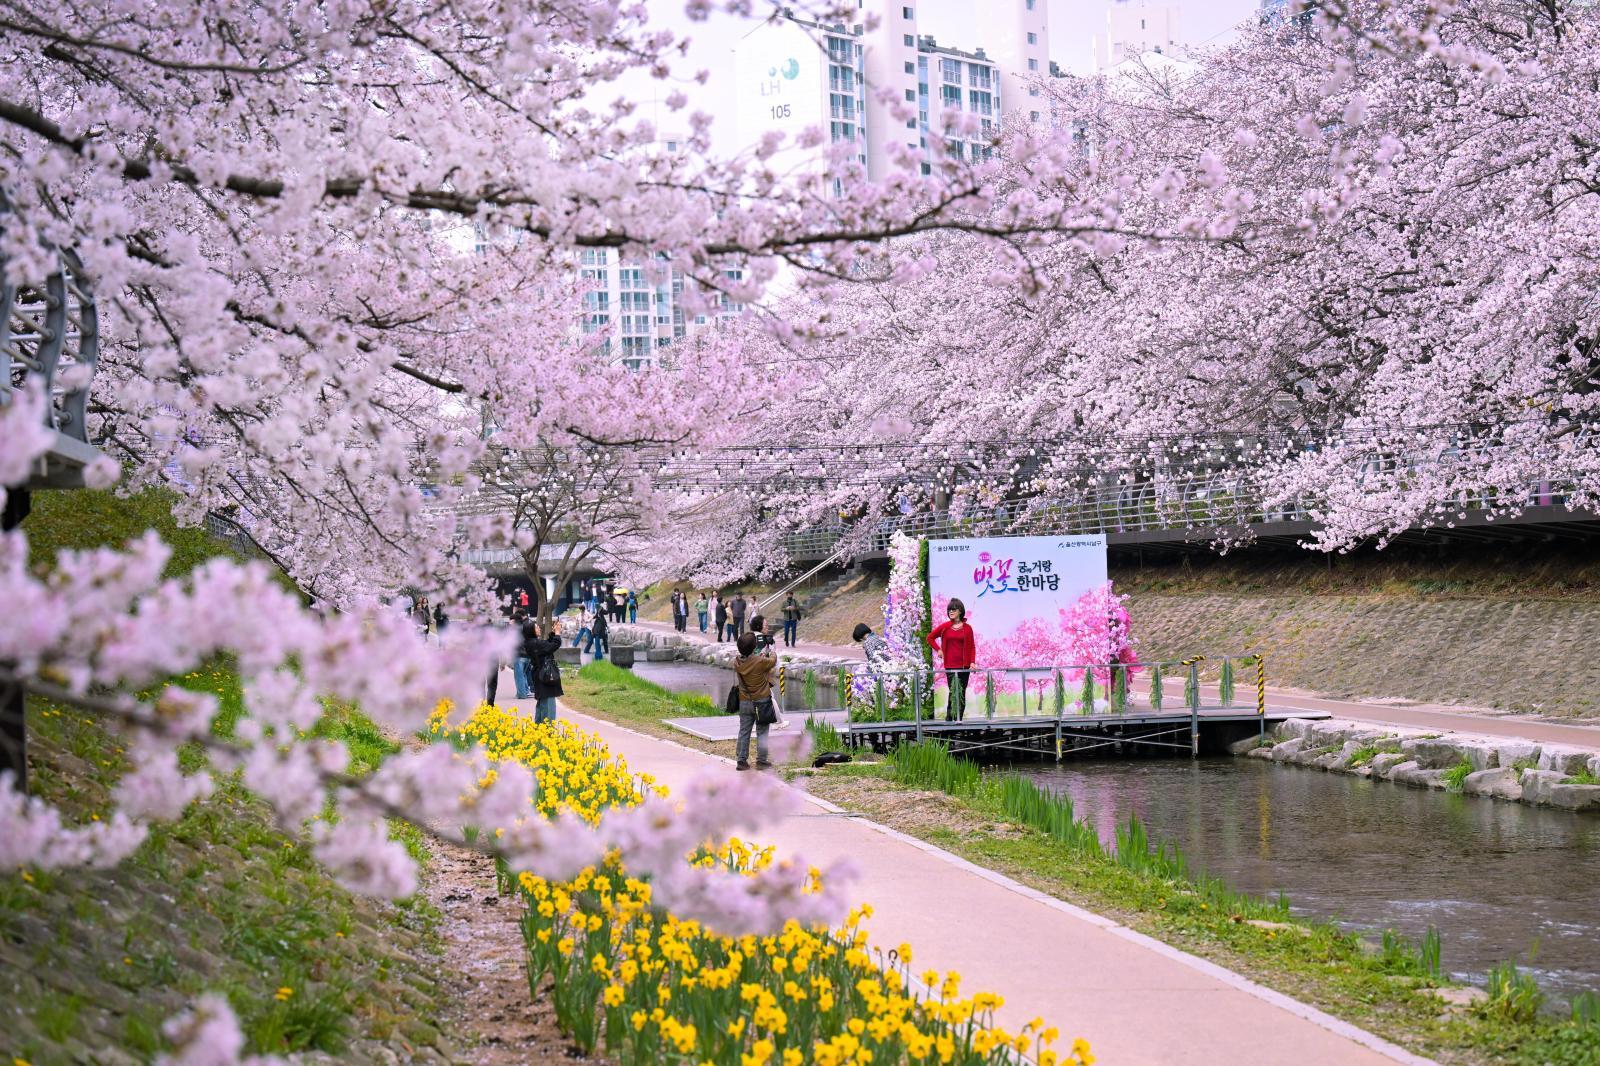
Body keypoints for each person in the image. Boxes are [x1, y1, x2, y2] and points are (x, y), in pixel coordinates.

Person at [926, 598, 977, 722]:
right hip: (950, 665)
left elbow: (972, 646)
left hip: (964, 666)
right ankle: (950, 718)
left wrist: (972, 662)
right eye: (949, 610)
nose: (951, 612)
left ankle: (959, 718)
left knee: (961, 692)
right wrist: (938, 649)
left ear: (960, 611)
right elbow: (930, 637)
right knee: (953, 691)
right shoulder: (945, 627)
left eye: (953, 609)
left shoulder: (968, 628)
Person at [732, 632, 776, 771]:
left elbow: (752, 663)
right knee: (762, 732)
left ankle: (741, 761)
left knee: (744, 731)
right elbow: (772, 661)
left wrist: (760, 656)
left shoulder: (737, 662)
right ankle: (761, 761)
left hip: (745, 701)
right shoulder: (760, 661)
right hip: (762, 701)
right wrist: (772, 650)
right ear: (754, 647)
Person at [527, 622, 564, 724]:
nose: (539, 628)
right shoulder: (536, 644)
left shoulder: (532, 642)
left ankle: (538, 730)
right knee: (548, 705)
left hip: (539, 675)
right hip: (545, 677)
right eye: (536, 627)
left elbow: (547, 645)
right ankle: (548, 732)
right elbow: (554, 645)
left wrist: (552, 634)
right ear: (531, 631)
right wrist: (557, 633)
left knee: (542, 704)